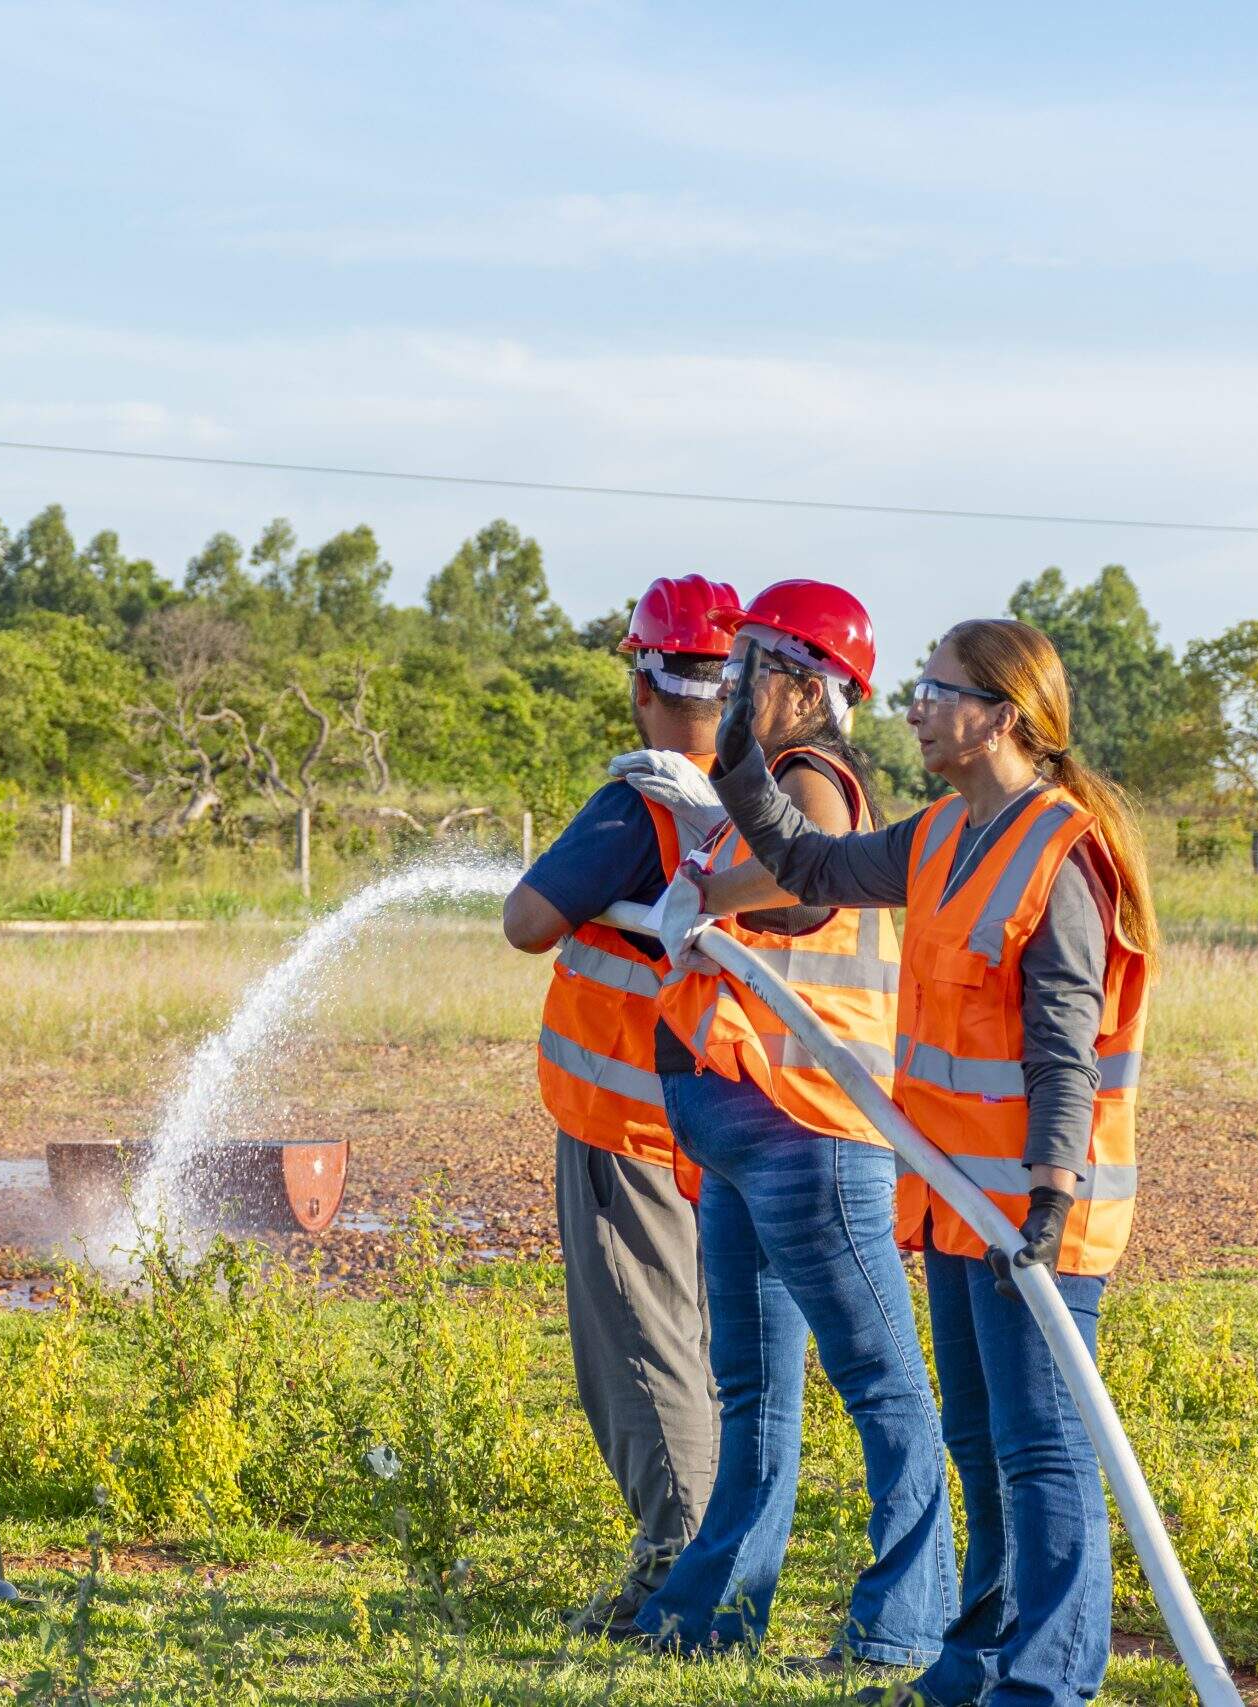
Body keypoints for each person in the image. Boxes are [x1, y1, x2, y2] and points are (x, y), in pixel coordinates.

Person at [669, 617, 1158, 1707]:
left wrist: (1049, 1194)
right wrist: (742, 766)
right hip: (952, 1198)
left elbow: (1063, 1047)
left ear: (1002, 718)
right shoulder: (940, 835)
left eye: (938, 693)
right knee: (979, 1438)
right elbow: (807, 866)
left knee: (1042, 1446)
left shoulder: (1059, 855)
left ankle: (1047, 1682)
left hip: (1034, 1210)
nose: (915, 710)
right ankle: (973, 1664)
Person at [616, 582, 954, 1665]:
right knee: (755, 1390)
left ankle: (905, 1627)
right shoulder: (760, 785)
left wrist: (708, 889)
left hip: (810, 1127)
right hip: (752, 1127)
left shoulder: (812, 776)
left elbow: (806, 892)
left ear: (808, 688)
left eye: (754, 662)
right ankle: (709, 1615)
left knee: (883, 1388)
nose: (731, 681)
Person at [501, 573, 734, 1636]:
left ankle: (679, 1575)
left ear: (643, 681)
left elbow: (527, 921)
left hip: (623, 1125)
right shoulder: (762, 797)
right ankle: (716, 1557)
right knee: (706, 1346)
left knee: (642, 1351)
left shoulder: (640, 800)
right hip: (718, 1121)